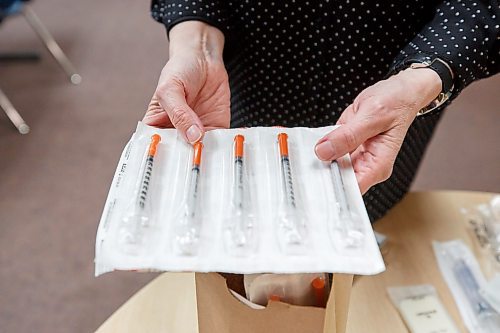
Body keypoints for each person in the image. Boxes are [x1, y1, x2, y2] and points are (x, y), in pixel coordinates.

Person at [144, 1, 499, 222]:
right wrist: (198, 44)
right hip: (242, 77)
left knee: (363, 207)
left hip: (395, 88)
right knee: (244, 200)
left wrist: (422, 76)